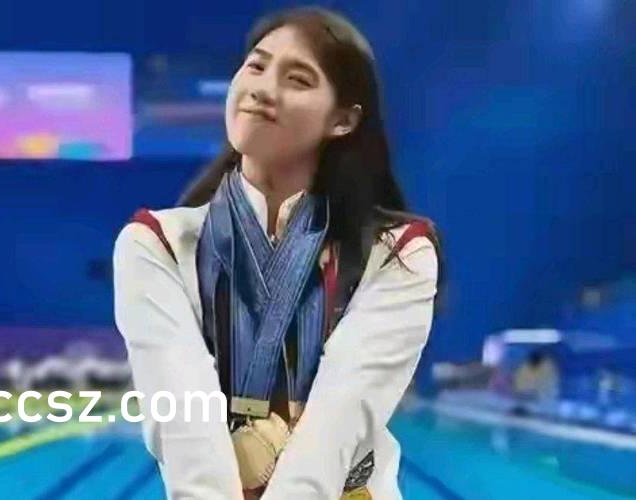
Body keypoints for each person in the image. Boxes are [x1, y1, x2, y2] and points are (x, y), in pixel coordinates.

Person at [114, 7, 440, 499]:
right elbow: (183, 421)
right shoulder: (156, 244)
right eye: (256, 66)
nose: (263, 89)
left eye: (297, 79)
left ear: (343, 120)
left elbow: (340, 417)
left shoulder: (397, 253)